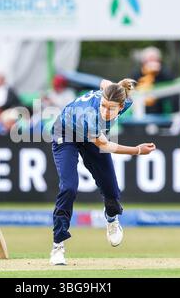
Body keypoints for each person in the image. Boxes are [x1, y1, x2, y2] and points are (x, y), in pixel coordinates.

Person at [49, 78, 157, 265]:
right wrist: (137, 150)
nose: (106, 111)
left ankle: (111, 217)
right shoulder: (89, 116)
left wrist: (119, 83)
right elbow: (105, 145)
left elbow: (104, 83)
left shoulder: (125, 100)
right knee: (69, 188)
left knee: (111, 189)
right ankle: (58, 245)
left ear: (122, 106)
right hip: (66, 135)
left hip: (92, 136)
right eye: (103, 106)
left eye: (111, 108)